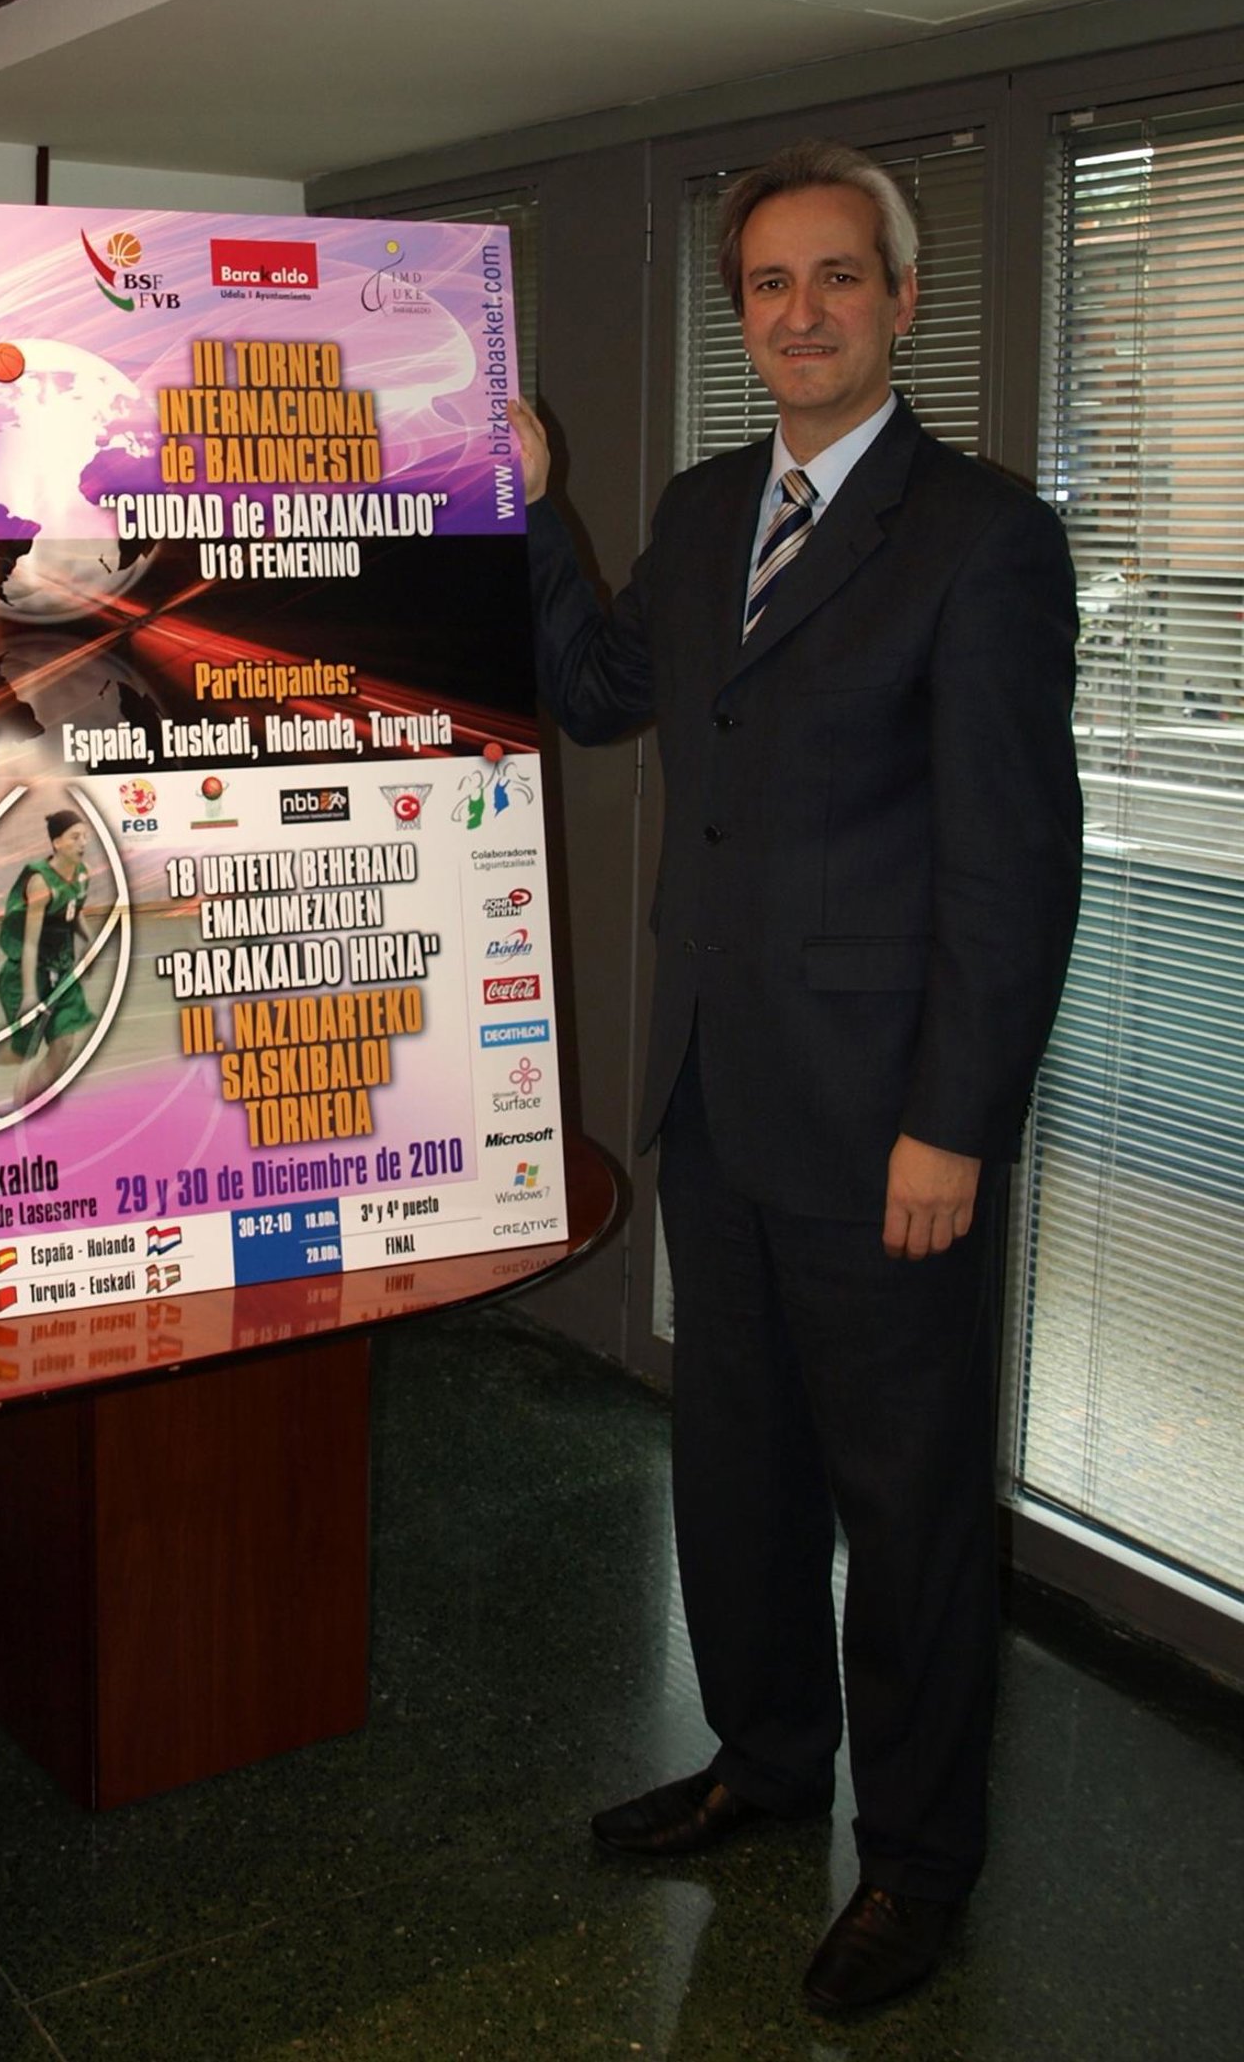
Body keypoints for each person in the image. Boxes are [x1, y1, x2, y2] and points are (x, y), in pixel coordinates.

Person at [511, 140, 1082, 2016]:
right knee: (737, 1468)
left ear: (903, 301)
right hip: (716, 1095)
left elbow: (1013, 871)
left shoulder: (983, 537)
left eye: (841, 276)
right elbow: (601, 691)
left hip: (883, 1125)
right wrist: (533, 508)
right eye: (771, 283)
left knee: (909, 1513)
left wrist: (954, 1125)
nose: (804, 311)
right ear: (741, 313)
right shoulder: (699, 513)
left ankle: (918, 1863)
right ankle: (766, 1760)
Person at [0, 809, 97, 1107]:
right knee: (23, 1052)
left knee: (63, 1045)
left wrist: (89, 941)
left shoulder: (83, 873)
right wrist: (29, 994)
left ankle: (26, 1107)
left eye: (85, 836)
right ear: (57, 843)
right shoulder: (40, 882)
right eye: (75, 837)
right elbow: (30, 944)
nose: (82, 842)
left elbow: (74, 910)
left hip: (62, 969)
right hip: (29, 972)